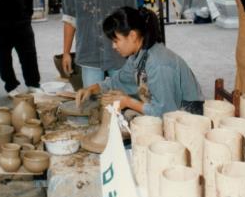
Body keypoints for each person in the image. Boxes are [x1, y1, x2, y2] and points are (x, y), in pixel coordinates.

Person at [76, 7, 204, 117]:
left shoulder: (158, 63)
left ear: (132, 36)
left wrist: (128, 102)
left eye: (116, 41)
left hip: (187, 116)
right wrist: (91, 89)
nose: (113, 46)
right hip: (165, 109)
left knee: (126, 116)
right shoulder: (137, 56)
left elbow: (166, 113)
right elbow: (118, 81)